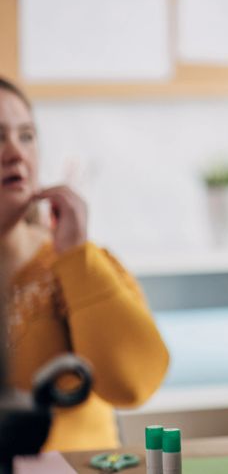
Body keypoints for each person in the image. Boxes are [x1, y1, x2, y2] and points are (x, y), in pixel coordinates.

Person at [0, 77, 169, 451]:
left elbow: (135, 384)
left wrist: (75, 256)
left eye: (26, 136)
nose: (15, 153)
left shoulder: (73, 262)